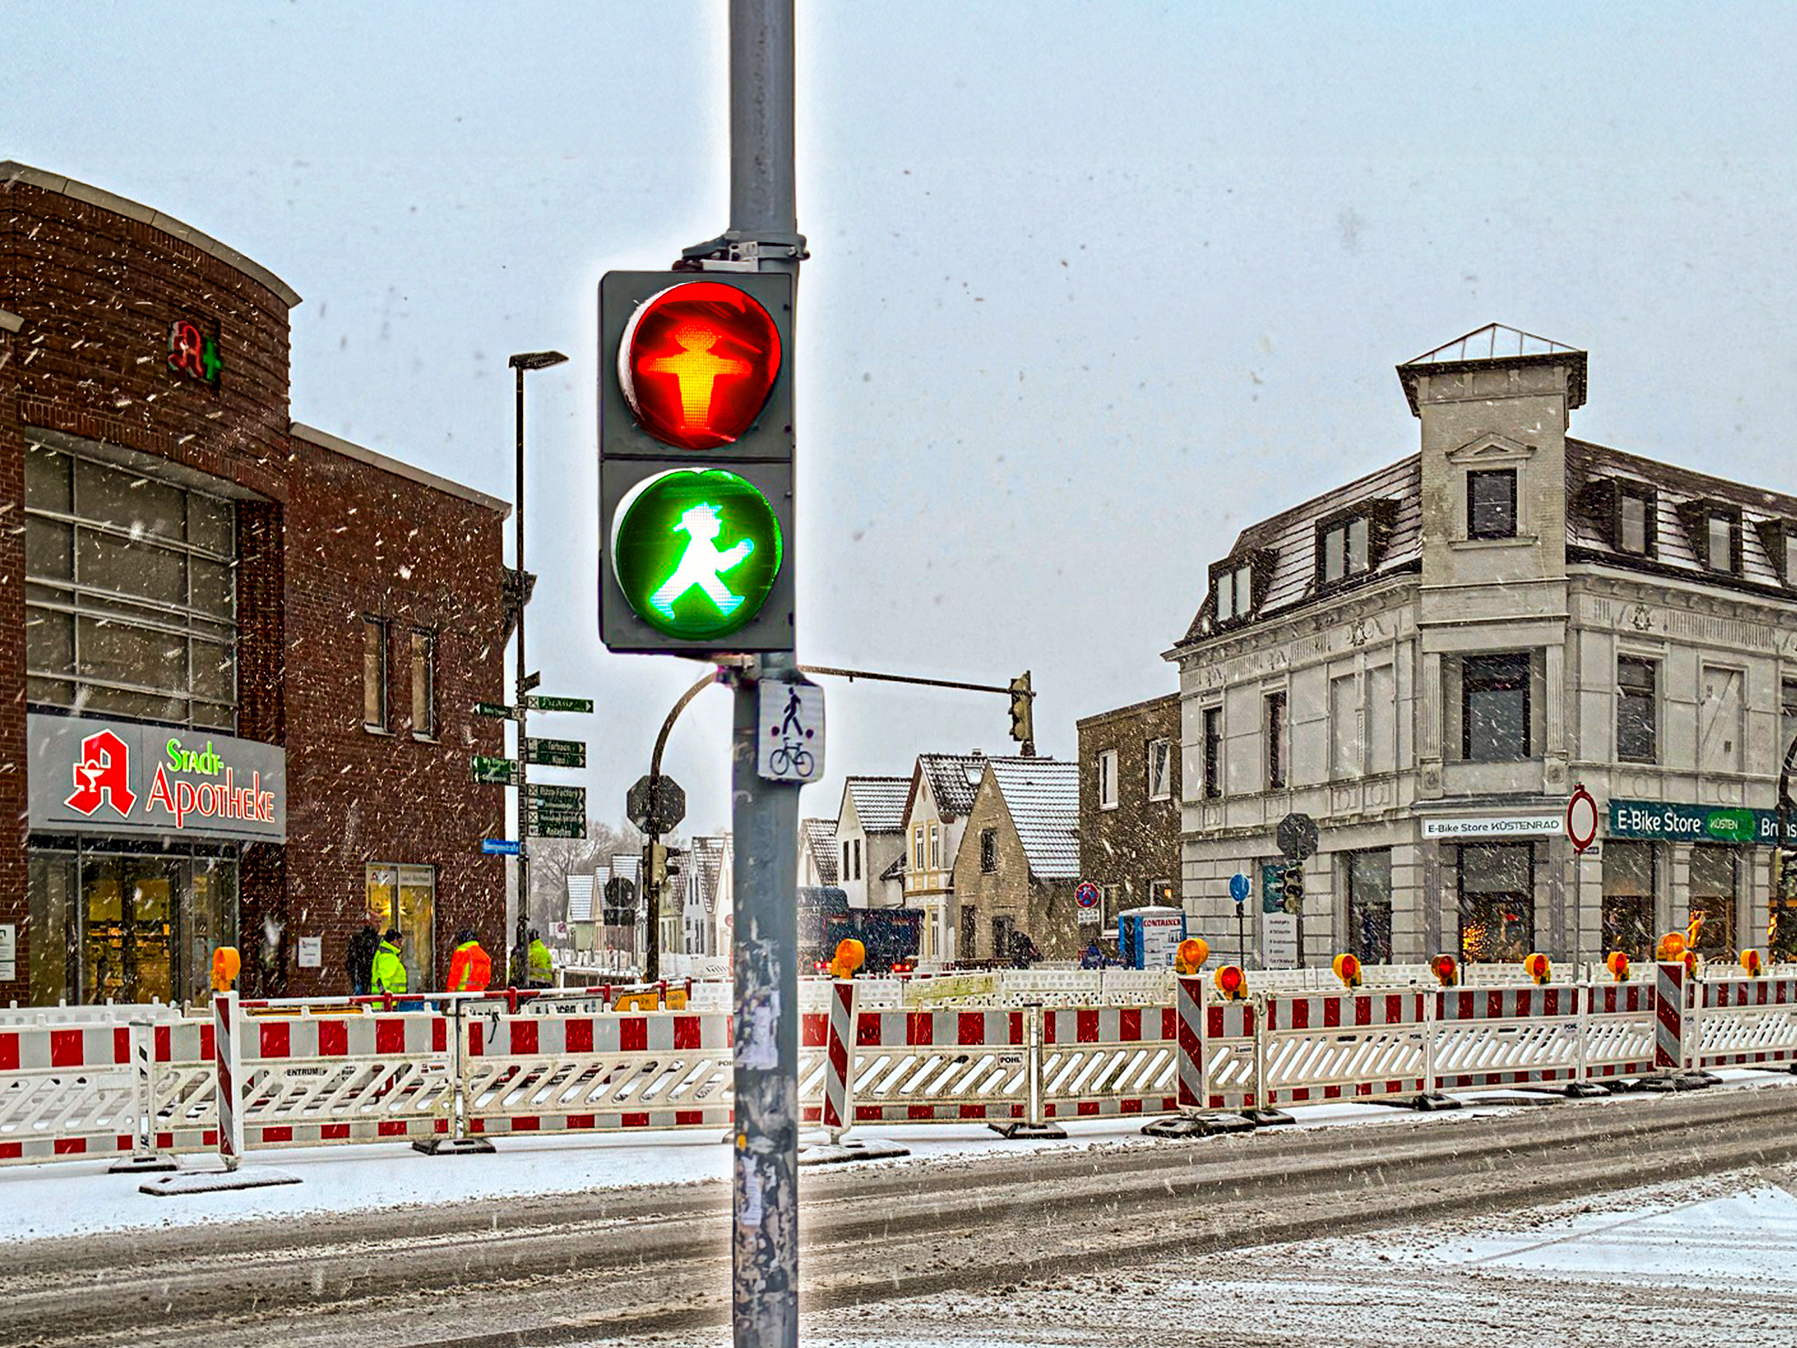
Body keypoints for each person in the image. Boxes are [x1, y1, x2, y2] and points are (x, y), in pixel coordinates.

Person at [371, 927, 407, 996]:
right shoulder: (388, 956)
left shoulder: (384, 953)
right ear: (393, 941)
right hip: (390, 1000)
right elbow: (383, 977)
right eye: (399, 941)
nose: (401, 944)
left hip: (388, 999)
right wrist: (384, 994)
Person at [347, 924, 379, 996]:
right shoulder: (362, 940)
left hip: (367, 979)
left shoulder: (377, 940)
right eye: (376, 922)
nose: (379, 924)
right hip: (363, 978)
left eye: (380, 922)